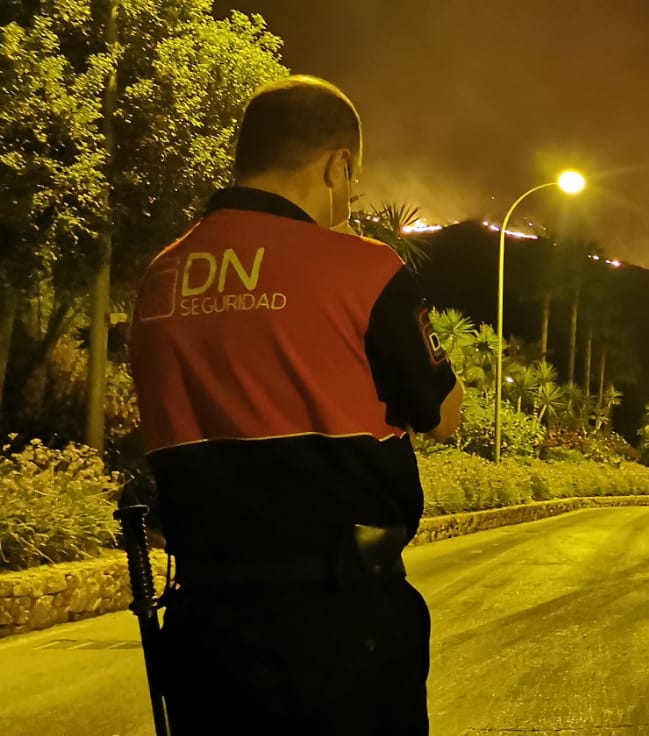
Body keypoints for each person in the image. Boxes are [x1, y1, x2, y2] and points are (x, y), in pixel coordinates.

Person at [128, 75, 462, 734]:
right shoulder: (363, 269)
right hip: (343, 627)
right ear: (337, 165)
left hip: (207, 628)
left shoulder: (160, 277)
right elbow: (442, 415)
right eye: (353, 178)